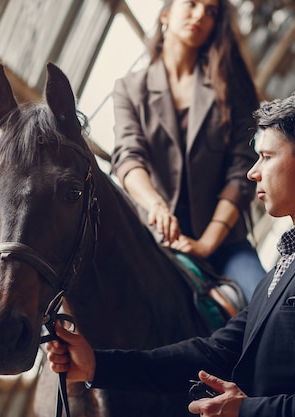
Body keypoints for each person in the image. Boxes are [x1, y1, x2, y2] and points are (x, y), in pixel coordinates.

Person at [46, 90, 295, 417]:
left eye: (267, 157)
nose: (253, 173)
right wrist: (98, 365)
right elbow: (214, 352)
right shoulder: (281, 268)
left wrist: (251, 411)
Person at [111, 0, 265, 301]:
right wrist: (156, 205)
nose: (199, 16)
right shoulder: (129, 88)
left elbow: (240, 174)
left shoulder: (231, 88)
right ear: (165, 14)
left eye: (210, 12)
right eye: (191, 4)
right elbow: (128, 157)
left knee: (268, 304)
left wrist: (207, 244)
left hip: (225, 245)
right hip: (156, 242)